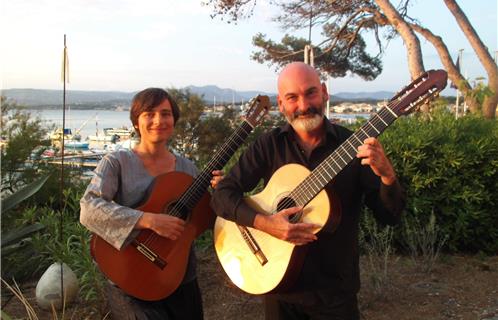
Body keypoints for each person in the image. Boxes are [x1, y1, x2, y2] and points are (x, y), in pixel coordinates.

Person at [210, 62, 405, 320]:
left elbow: (389, 216)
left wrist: (388, 177)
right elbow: (222, 194)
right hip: (278, 287)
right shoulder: (269, 145)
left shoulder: (354, 147)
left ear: (324, 92)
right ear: (281, 104)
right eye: (292, 97)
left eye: (310, 93)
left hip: (334, 293)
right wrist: (265, 224)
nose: (303, 105)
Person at [80, 88, 223, 320]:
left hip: (178, 276)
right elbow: (88, 208)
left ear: (174, 121)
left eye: (166, 114)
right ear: (136, 122)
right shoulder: (117, 162)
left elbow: (205, 219)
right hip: (130, 276)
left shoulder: (188, 169)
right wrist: (148, 220)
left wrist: (221, 192)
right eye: (149, 114)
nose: (159, 120)